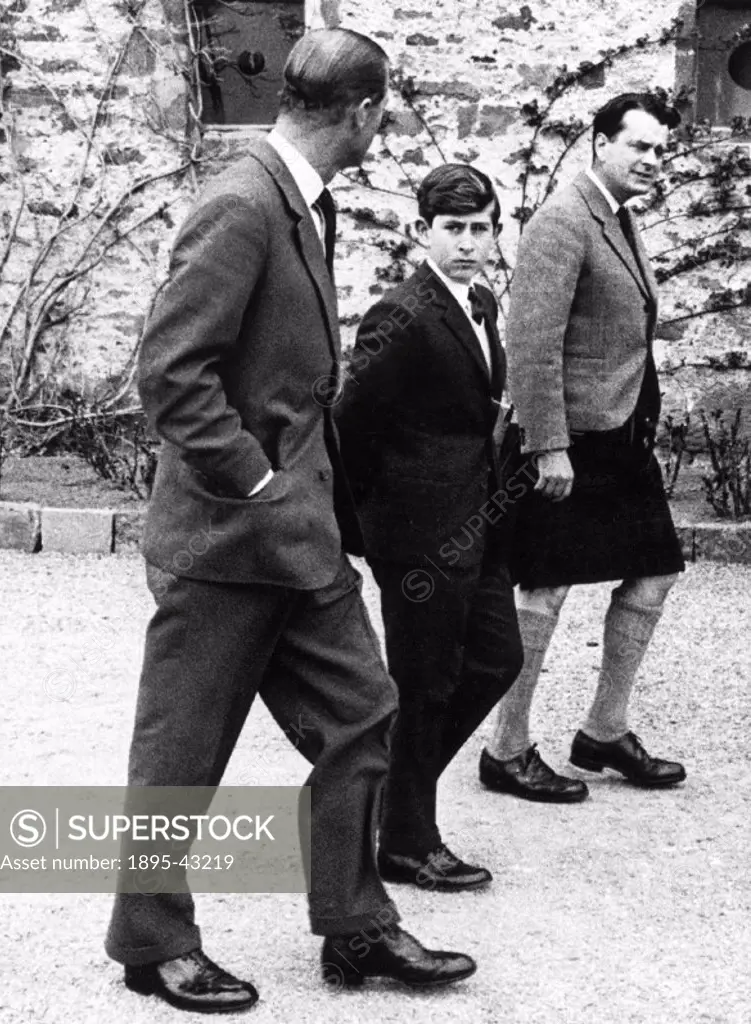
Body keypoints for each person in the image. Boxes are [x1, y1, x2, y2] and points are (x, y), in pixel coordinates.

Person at [105, 29, 476, 1015]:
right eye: (379, 114)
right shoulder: (239, 205)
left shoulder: (297, 201)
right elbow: (170, 375)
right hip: (228, 541)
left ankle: (354, 928)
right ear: (360, 113)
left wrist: (300, 499)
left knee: (364, 711)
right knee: (180, 752)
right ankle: (152, 943)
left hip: (296, 536)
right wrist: (260, 482)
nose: (378, 128)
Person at [480, 93, 687, 803]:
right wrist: (546, 448)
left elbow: (604, 319)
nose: (650, 162)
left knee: (654, 573)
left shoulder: (618, 217)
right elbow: (530, 345)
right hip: (570, 443)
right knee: (544, 587)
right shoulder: (562, 219)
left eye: (659, 150)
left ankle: (603, 731)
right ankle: (505, 749)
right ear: (598, 143)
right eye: (638, 146)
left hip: (619, 436)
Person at [336, 164, 523, 892]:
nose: (470, 243)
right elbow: (350, 426)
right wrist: (372, 529)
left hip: (476, 525)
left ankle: (384, 800)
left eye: (481, 229)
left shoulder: (479, 301)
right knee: (423, 684)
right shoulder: (402, 314)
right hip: (418, 536)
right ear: (423, 233)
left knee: (494, 658)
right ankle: (409, 841)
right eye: (454, 229)